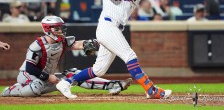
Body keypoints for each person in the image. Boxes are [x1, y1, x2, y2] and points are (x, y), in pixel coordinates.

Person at [56, 0, 172, 99]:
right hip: (107, 27)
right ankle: (151, 90)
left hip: (114, 29)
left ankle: (66, 82)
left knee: (99, 69)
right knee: (130, 56)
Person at [1, 15, 132, 97]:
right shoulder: (37, 45)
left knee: (73, 75)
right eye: (57, 28)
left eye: (60, 28)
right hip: (28, 77)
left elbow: (79, 45)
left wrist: (96, 42)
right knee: (36, 87)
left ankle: (114, 85)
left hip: (47, 78)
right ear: (48, 29)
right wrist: (48, 76)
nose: (60, 31)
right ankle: (11, 90)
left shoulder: (62, 41)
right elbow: (30, 68)